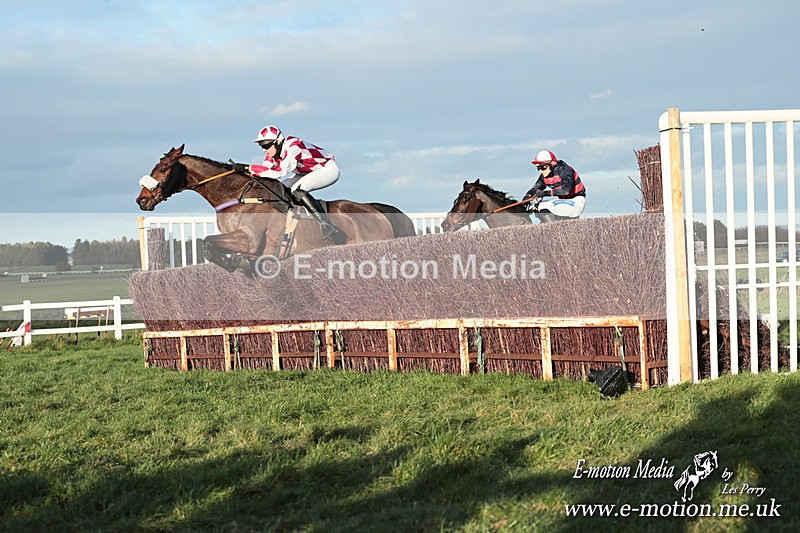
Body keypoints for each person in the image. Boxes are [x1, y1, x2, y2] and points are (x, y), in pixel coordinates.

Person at [233, 125, 344, 242]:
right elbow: (265, 171)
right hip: (306, 172)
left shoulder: (293, 146)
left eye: (266, 145)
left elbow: (278, 173)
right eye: (262, 146)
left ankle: (325, 224)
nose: (264, 149)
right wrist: (247, 172)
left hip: (327, 169)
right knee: (281, 189)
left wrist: (248, 167)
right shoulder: (272, 154)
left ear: (278, 142)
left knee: (297, 189)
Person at [522, 150, 586, 223]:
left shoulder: (565, 170)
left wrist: (545, 193)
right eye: (538, 168)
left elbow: (565, 191)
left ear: (552, 164)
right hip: (564, 201)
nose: (540, 171)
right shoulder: (544, 176)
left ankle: (553, 230)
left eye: (543, 167)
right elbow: (535, 189)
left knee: (543, 206)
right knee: (535, 206)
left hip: (576, 200)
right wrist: (527, 197)